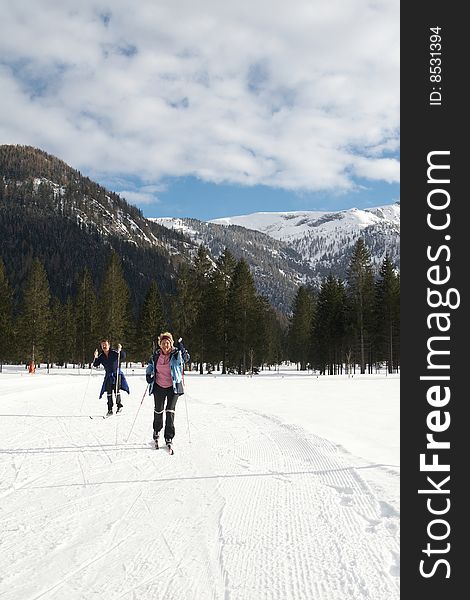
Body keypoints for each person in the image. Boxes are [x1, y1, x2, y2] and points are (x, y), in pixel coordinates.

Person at [146, 332, 190, 451]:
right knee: (158, 410)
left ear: (171, 344)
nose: (165, 345)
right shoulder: (156, 355)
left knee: (170, 411)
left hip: (173, 387)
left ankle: (169, 437)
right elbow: (150, 365)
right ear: (160, 344)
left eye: (167, 343)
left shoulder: (176, 354)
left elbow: (185, 359)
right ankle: (156, 430)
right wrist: (148, 374)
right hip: (159, 386)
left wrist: (182, 350)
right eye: (163, 343)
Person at [93, 339, 130, 416]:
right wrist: (95, 357)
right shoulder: (101, 356)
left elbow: (123, 356)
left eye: (105, 344)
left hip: (117, 374)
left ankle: (119, 406)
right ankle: (110, 409)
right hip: (108, 376)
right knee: (109, 392)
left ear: (109, 345)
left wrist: (120, 350)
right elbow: (95, 364)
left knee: (116, 390)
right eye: (102, 345)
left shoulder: (114, 352)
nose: (104, 346)